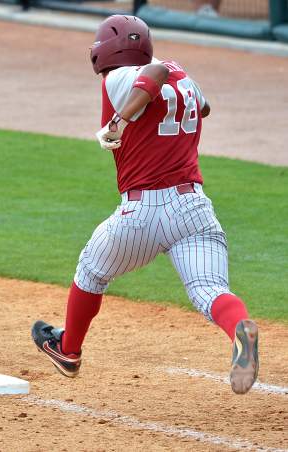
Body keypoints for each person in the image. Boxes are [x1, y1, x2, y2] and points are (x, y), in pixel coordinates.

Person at [31, 15, 258, 395]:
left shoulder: (121, 77)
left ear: (107, 50)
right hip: (194, 208)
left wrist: (121, 119)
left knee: (91, 269)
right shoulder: (182, 75)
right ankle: (239, 330)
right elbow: (203, 107)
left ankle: (68, 349)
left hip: (143, 213)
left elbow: (151, 73)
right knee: (210, 290)